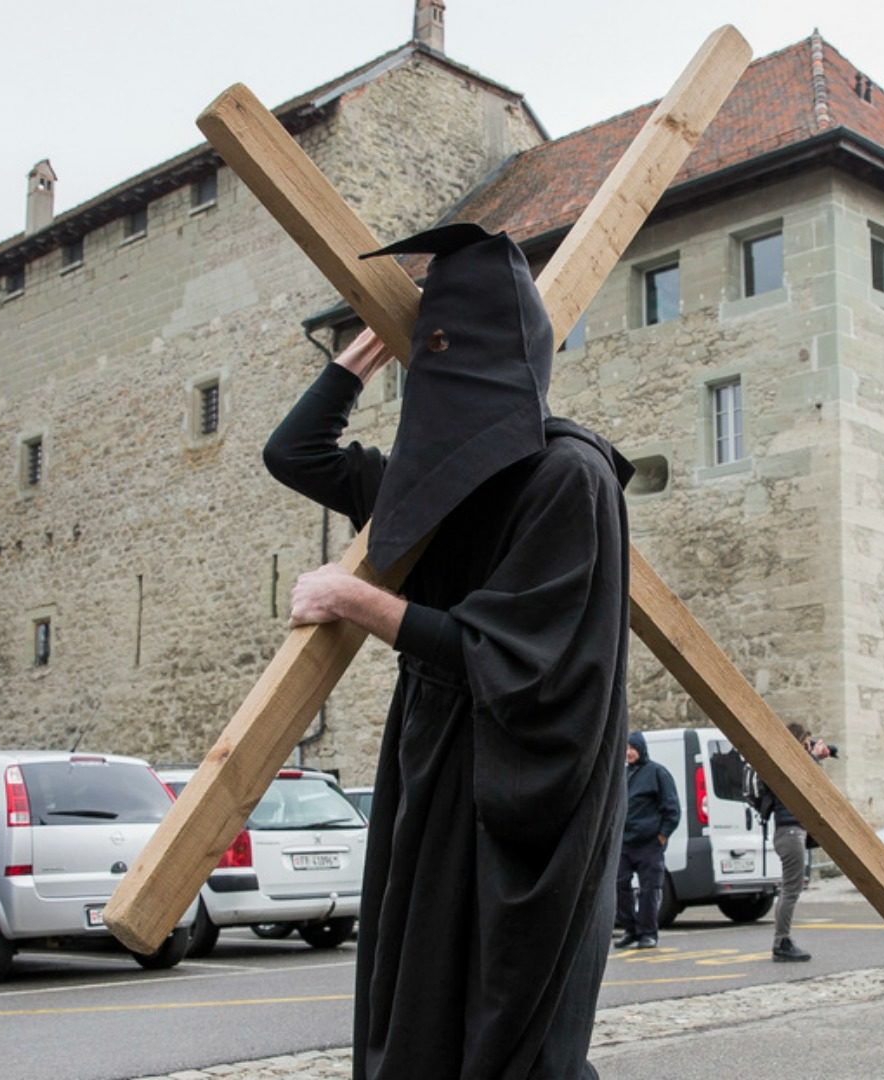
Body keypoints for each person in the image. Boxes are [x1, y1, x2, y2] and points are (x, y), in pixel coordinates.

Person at [266, 222, 633, 1079]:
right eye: (423, 352)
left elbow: (514, 658)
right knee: (415, 1012)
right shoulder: (432, 484)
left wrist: (356, 599)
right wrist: (364, 355)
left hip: (528, 788)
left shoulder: (567, 476)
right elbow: (294, 453)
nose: (435, 370)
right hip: (432, 768)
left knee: (510, 1030)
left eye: (447, 348)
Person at [762, 722, 834, 962]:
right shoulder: (785, 765)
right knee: (791, 889)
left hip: (791, 832)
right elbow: (806, 782)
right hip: (790, 832)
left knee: (790, 888)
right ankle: (781, 941)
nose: (807, 749)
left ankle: (782, 939)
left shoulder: (787, 764)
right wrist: (813, 759)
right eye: (804, 744)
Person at [616, 731, 680, 950]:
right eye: (625, 748)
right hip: (625, 842)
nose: (629, 753)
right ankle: (630, 929)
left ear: (641, 748)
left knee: (649, 889)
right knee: (619, 885)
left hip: (649, 844)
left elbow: (672, 809)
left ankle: (648, 933)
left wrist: (662, 836)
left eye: (632, 748)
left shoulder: (657, 773)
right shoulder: (622, 775)